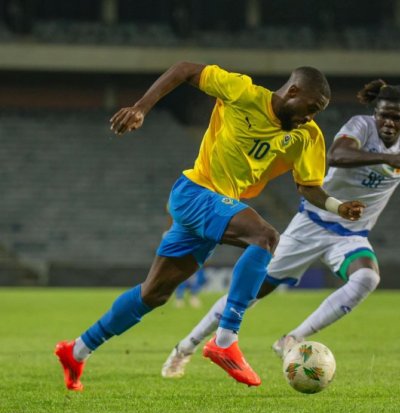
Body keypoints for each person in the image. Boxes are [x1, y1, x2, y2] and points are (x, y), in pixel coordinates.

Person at [54, 61, 366, 390]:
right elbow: (185, 69)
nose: (310, 117)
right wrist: (141, 108)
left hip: (213, 208)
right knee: (265, 237)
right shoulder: (242, 92)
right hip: (196, 193)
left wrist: (338, 206)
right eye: (311, 107)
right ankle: (225, 339)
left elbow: (308, 186)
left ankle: (77, 350)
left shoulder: (307, 136)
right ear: (293, 91)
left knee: (154, 294)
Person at [160, 79, 400, 378]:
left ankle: (292, 339)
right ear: (375, 113)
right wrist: (387, 157)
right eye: (383, 115)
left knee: (367, 277)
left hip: (351, 235)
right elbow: (337, 155)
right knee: (250, 293)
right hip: (311, 224)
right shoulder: (360, 126)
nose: (388, 122)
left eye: (396, 117)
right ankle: (185, 347)